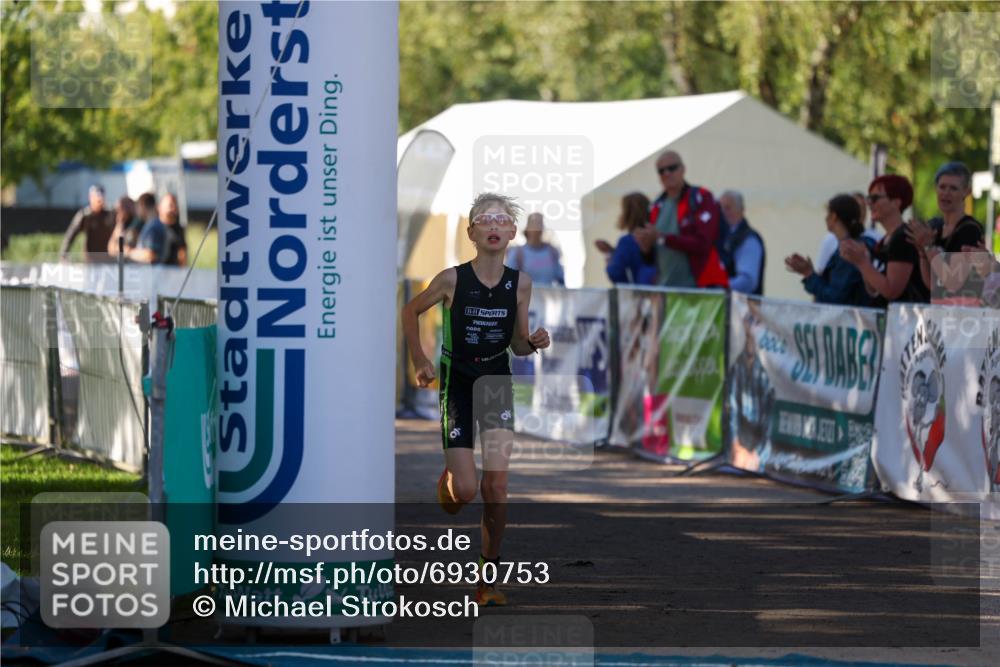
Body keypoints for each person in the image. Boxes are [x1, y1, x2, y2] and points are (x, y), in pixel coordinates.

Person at [401, 192, 551, 607]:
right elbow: (410, 311)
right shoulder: (452, 279)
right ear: (471, 232)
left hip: (496, 380)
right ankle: (450, 480)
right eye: (485, 220)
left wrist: (534, 341)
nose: (494, 226)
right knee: (465, 491)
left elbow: (518, 345)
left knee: (497, 485)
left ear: (513, 233)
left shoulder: (521, 284)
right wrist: (420, 357)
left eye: (502, 220)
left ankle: (487, 579)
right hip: (458, 380)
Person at [636, 151, 728, 288]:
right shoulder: (656, 207)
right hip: (665, 290)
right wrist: (645, 247)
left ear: (683, 169)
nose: (667, 173)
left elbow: (703, 243)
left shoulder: (701, 198)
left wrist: (662, 238)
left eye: (672, 168)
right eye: (661, 171)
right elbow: (652, 258)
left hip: (699, 290)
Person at [840, 175, 928, 306]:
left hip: (907, 322)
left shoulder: (903, 237)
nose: (869, 203)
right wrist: (862, 260)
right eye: (869, 198)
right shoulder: (886, 239)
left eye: (875, 198)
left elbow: (891, 290)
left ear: (896, 203)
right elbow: (874, 289)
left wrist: (862, 262)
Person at [905, 161, 984, 305]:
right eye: (942, 187)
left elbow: (952, 283)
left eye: (953, 188)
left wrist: (928, 247)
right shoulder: (936, 227)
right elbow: (931, 284)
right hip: (938, 313)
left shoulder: (970, 229)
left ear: (967, 192)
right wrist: (922, 252)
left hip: (963, 317)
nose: (946, 193)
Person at [785, 194, 873, 305]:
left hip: (849, 320)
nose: (825, 218)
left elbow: (834, 298)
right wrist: (810, 272)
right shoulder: (857, 244)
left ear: (834, 217)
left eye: (828, 214)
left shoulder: (849, 250)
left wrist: (808, 273)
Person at [594, 192, 657, 285]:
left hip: (644, 293)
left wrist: (610, 255)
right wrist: (612, 250)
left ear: (626, 214)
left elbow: (615, 273)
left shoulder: (627, 241)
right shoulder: (658, 234)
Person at [717, 190, 765, 294]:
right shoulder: (721, 237)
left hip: (743, 307)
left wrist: (718, 288)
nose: (723, 212)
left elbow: (747, 282)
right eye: (720, 208)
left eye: (728, 208)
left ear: (741, 210)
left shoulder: (749, 240)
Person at [60, 184, 115, 263]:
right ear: (90, 197)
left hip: (108, 259)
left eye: (101, 196)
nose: (99, 200)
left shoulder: (110, 214)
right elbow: (70, 235)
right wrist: (63, 254)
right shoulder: (85, 215)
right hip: (90, 260)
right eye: (96, 196)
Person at [504, 213, 563, 285]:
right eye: (534, 224)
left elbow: (561, 280)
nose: (537, 229)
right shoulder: (517, 253)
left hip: (547, 295)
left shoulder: (552, 252)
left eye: (540, 224)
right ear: (527, 228)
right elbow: (508, 280)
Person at [127, 192, 168, 264]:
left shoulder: (154, 227)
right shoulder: (151, 225)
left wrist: (129, 252)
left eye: (137, 207)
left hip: (154, 274)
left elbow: (151, 255)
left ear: (142, 205)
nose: (137, 211)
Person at [158, 193, 188, 267]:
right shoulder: (154, 227)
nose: (173, 208)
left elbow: (182, 254)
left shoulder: (179, 229)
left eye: (175, 205)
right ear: (160, 207)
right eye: (170, 205)